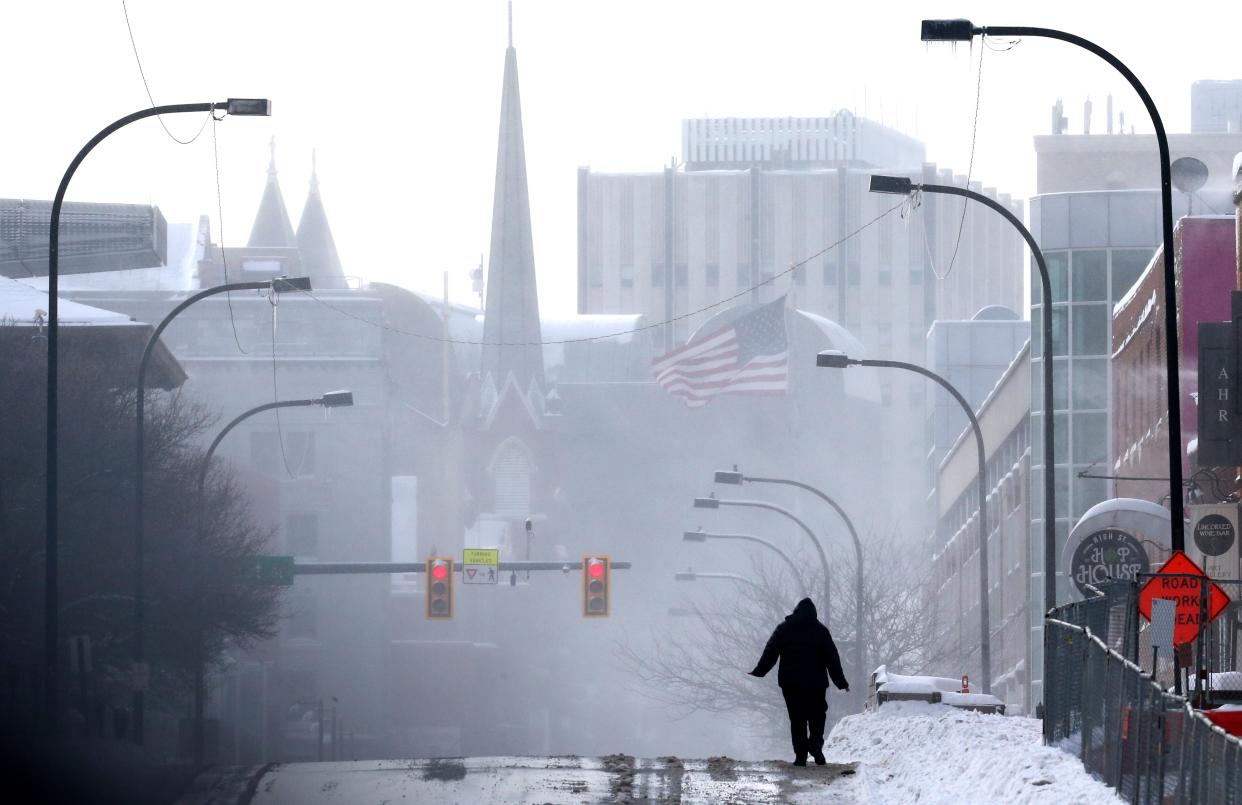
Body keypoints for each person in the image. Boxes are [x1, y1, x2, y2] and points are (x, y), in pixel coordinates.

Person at [748, 597, 849, 766]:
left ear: (796, 612)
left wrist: (760, 670)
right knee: (817, 716)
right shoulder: (821, 631)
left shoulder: (784, 629)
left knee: (797, 719)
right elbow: (832, 658)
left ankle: (801, 755)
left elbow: (770, 651)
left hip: (791, 684)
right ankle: (816, 745)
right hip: (816, 684)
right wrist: (841, 681)